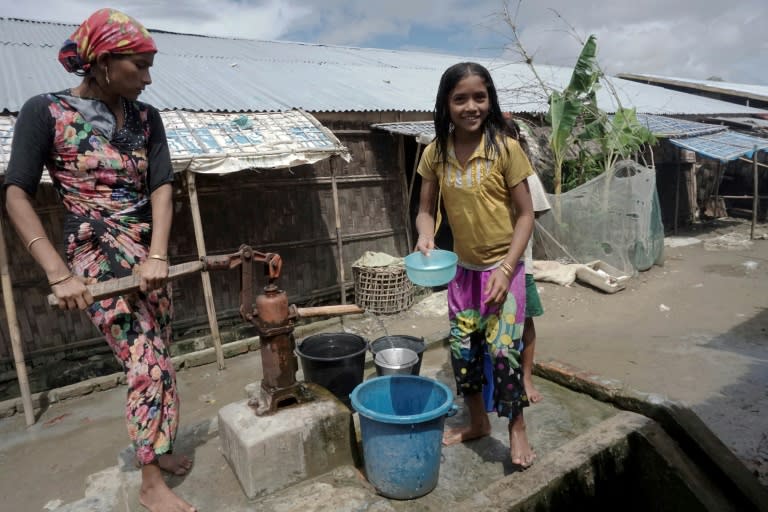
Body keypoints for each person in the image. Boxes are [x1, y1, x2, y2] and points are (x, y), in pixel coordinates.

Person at [4, 9, 195, 512]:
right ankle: (151, 484)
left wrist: (157, 254)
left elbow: (162, 186)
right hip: (93, 255)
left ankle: (162, 449)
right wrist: (57, 272)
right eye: (140, 65)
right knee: (146, 365)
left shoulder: (146, 118)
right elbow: (17, 194)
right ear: (104, 62)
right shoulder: (43, 111)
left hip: (147, 256)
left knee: (162, 355)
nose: (149, 77)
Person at [415, 62, 536, 468]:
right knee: (463, 354)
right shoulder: (435, 152)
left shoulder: (505, 149)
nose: (471, 106)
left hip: (504, 270)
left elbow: (526, 215)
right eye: (460, 98)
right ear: (446, 104)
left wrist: (505, 269)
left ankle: (516, 429)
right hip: (461, 273)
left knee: (504, 354)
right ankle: (478, 422)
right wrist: (425, 234)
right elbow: (425, 210)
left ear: (490, 100)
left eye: (479, 97)